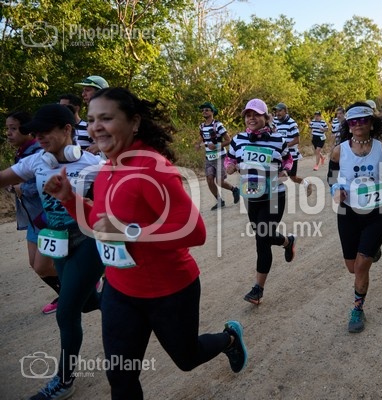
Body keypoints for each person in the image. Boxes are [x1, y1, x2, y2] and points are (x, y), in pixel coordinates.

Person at [43, 87, 248, 399]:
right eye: (92, 119)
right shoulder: (107, 169)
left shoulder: (153, 167)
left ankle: (229, 339)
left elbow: (195, 232)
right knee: (120, 377)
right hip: (119, 290)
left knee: (187, 358)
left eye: (106, 118)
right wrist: (69, 198)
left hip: (169, 290)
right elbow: (100, 223)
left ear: (134, 122)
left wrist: (130, 231)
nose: (96, 127)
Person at [0, 104, 105, 400]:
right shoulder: (36, 161)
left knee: (67, 311)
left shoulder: (94, 165)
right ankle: (123, 303)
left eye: (45, 131)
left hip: (88, 242)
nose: (39, 137)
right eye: (36, 132)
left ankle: (64, 380)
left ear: (67, 129)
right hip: (57, 243)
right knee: (88, 303)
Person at [328, 101, 382, 333]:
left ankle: (357, 309)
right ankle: (372, 251)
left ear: (372, 123)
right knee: (352, 267)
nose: (358, 124)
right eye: (353, 121)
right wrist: (336, 190)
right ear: (348, 125)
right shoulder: (339, 151)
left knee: (360, 267)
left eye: (363, 120)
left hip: (377, 213)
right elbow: (331, 178)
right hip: (348, 213)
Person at [225, 98, 296, 305]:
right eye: (248, 115)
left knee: (262, 239)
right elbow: (230, 158)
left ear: (266, 117)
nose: (252, 118)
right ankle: (287, 242)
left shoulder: (278, 140)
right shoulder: (238, 140)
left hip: (274, 196)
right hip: (251, 196)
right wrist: (230, 166)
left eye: (256, 114)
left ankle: (258, 289)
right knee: (263, 235)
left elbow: (288, 159)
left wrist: (285, 170)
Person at [5, 111, 60, 314]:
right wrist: (14, 186)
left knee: (43, 266)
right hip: (32, 218)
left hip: (45, 216)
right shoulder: (23, 152)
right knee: (36, 264)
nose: (9, 133)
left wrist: (20, 188)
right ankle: (67, 293)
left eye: (13, 128)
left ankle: (82, 285)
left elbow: (43, 184)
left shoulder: (39, 153)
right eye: (7, 129)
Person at [195, 101, 240, 210]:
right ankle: (219, 201)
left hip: (220, 157)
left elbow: (228, 140)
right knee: (209, 180)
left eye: (207, 110)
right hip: (209, 158)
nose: (204, 112)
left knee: (219, 181)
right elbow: (202, 136)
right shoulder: (202, 126)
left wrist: (216, 146)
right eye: (203, 110)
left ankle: (234, 190)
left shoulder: (218, 125)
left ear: (212, 112)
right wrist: (197, 144)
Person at [273, 102, 314, 197]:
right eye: (276, 111)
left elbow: (297, 140)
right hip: (279, 155)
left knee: (293, 177)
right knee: (277, 175)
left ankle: (306, 183)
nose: (277, 113)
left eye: (280, 111)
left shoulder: (292, 123)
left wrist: (284, 146)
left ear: (285, 111)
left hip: (291, 155)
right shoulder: (275, 122)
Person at [74, 75, 109, 154]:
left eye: (87, 90)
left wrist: (99, 146)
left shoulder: (113, 111)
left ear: (100, 93)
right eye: (83, 91)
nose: (83, 94)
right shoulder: (94, 113)